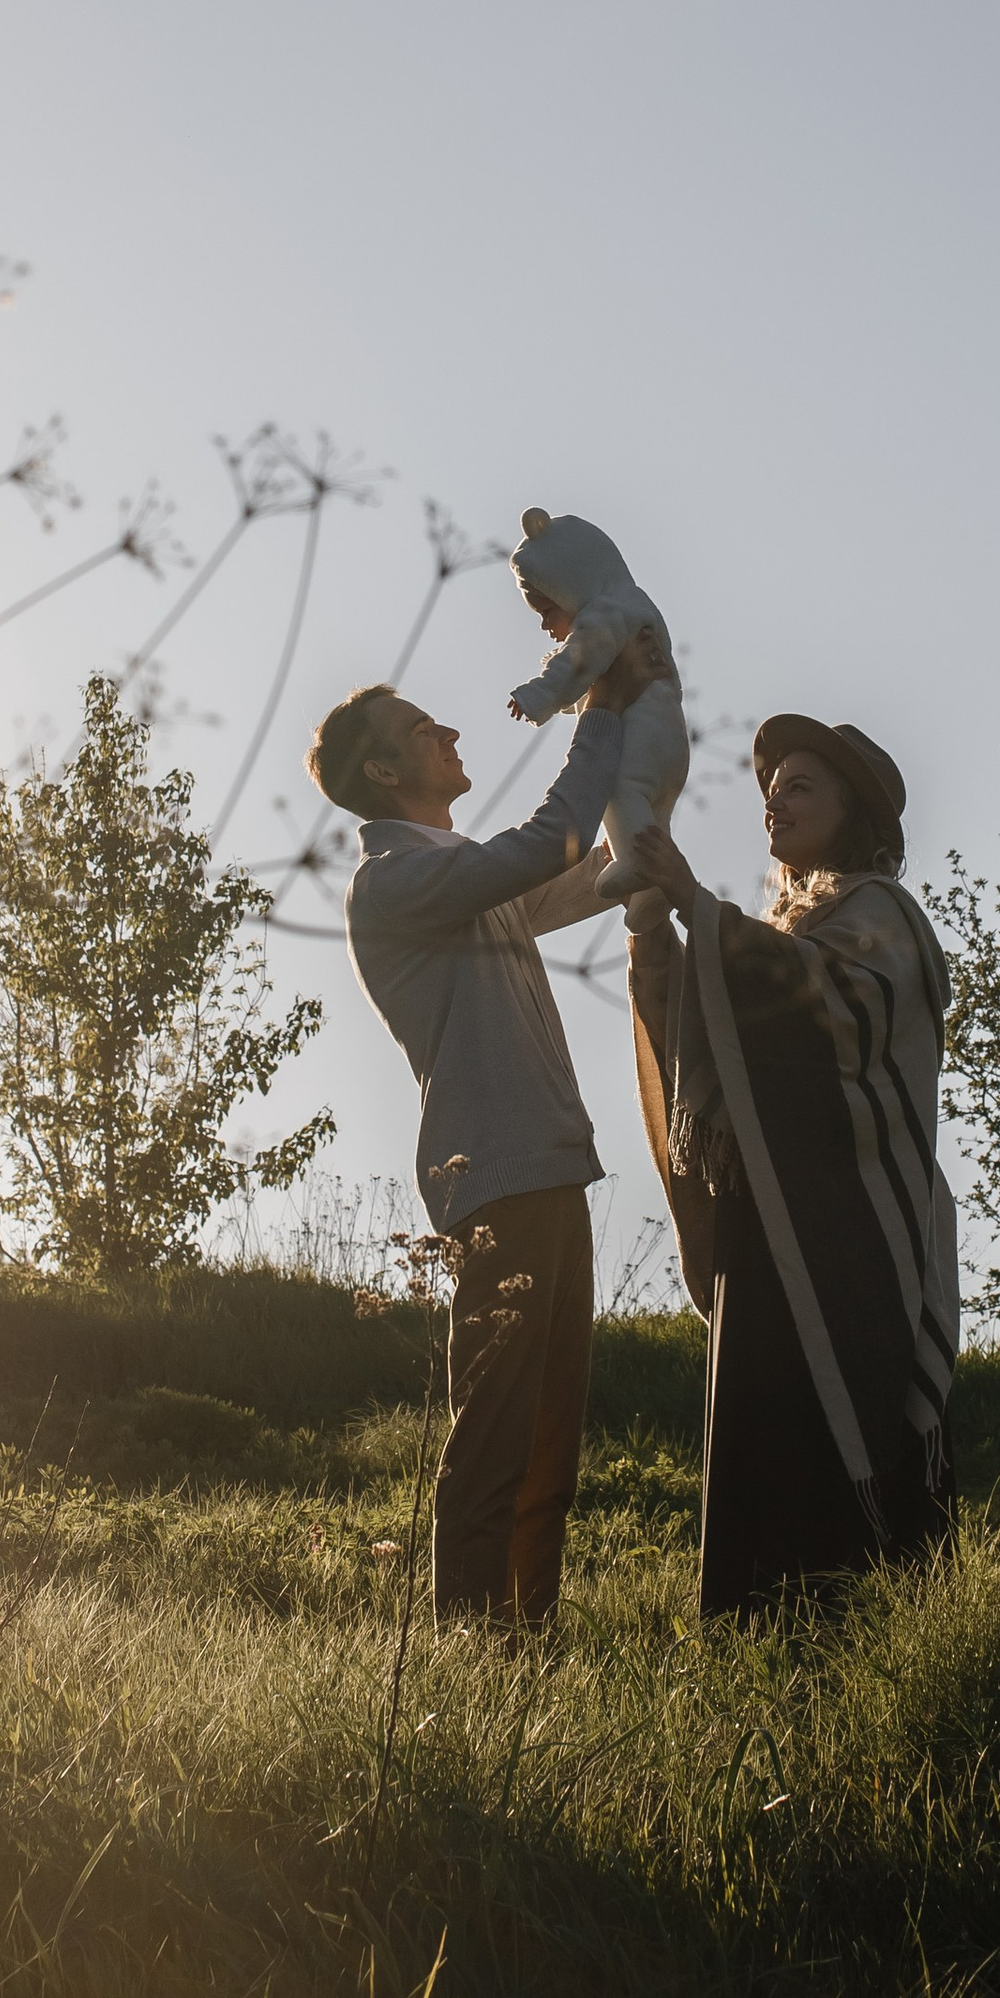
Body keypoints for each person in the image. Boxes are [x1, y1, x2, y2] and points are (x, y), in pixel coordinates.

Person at [307, 645, 662, 1630]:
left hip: (549, 1168)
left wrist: (644, 766)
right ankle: (469, 1646)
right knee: (497, 1432)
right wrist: (600, 708)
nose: (451, 733)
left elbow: (587, 874)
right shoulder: (394, 883)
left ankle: (525, 1644)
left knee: (550, 1442)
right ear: (383, 773)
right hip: (496, 1178)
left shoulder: (457, 876)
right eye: (426, 729)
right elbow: (551, 843)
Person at [626, 718, 960, 1619]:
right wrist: (661, 940)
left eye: (803, 783)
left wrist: (697, 908)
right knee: (754, 1426)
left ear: (854, 813)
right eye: (771, 786)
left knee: (826, 1423)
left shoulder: (883, 914)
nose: (776, 797)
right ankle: (751, 1638)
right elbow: (721, 1030)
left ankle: (847, 1633)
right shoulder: (778, 926)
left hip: (851, 1238)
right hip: (767, 1223)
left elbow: (831, 1006)